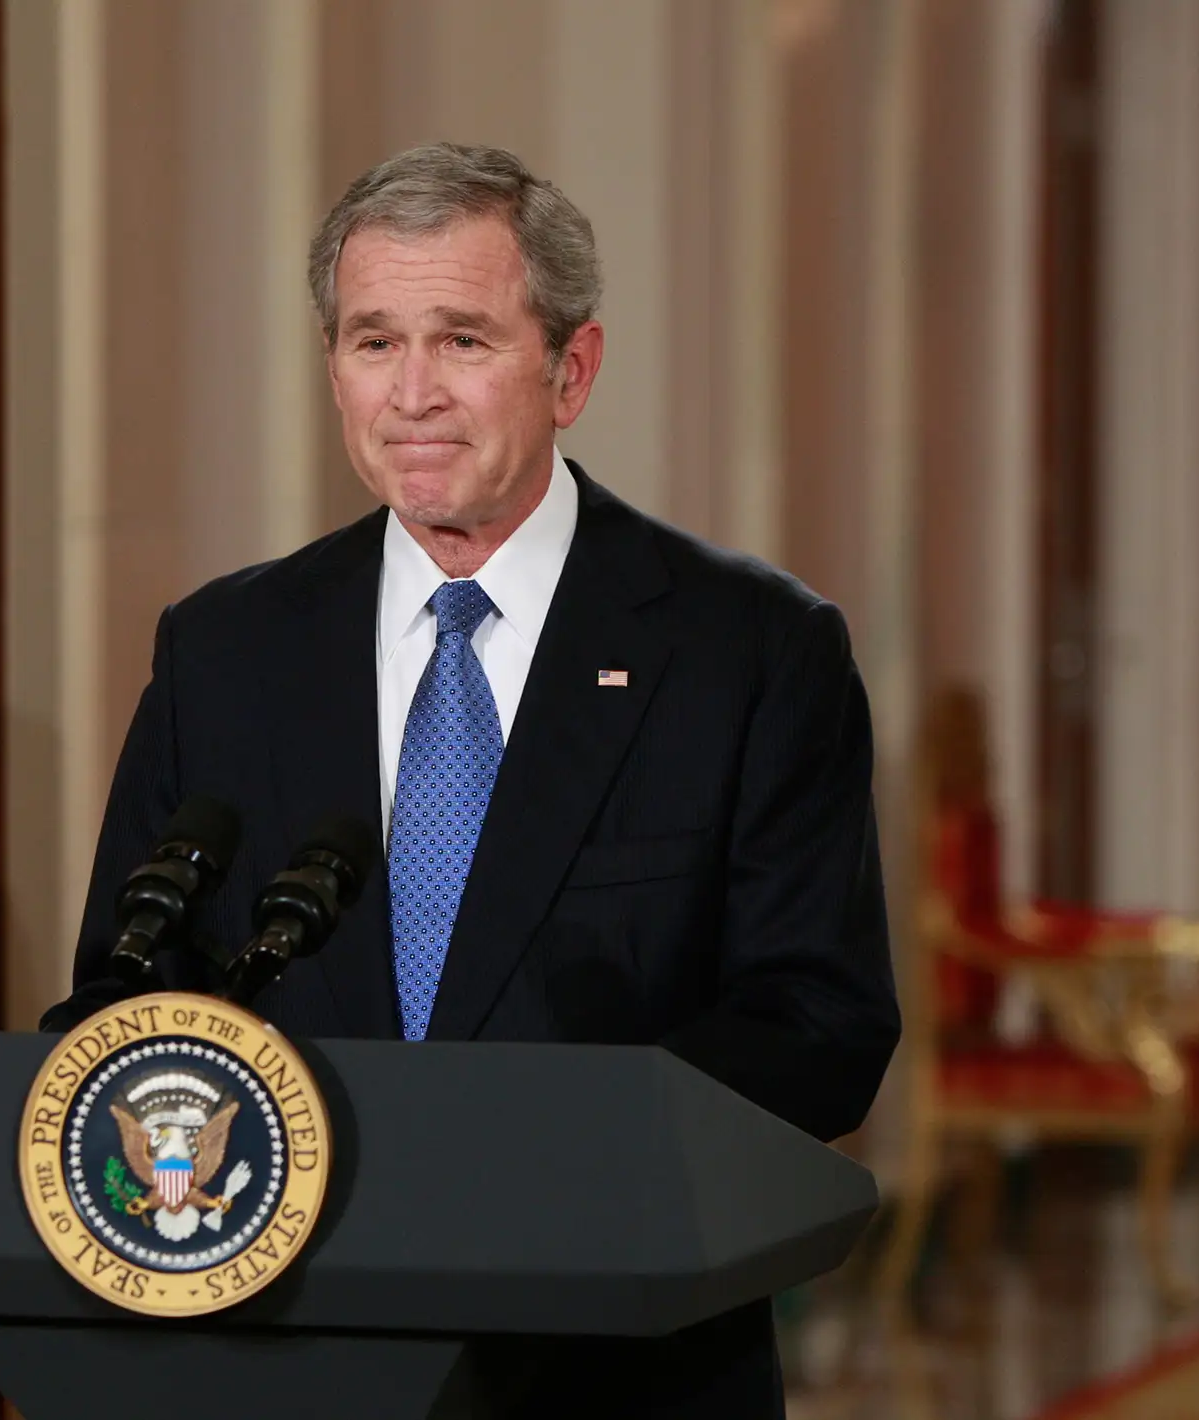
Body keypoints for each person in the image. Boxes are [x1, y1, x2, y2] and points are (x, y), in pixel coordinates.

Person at [48, 142, 900, 1418]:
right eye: (374, 342)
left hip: (616, 1369)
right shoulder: (227, 650)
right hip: (280, 1363)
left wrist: (531, 1161)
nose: (414, 393)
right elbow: (126, 995)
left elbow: (821, 1027)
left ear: (573, 369)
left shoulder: (747, 651)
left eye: (462, 340)